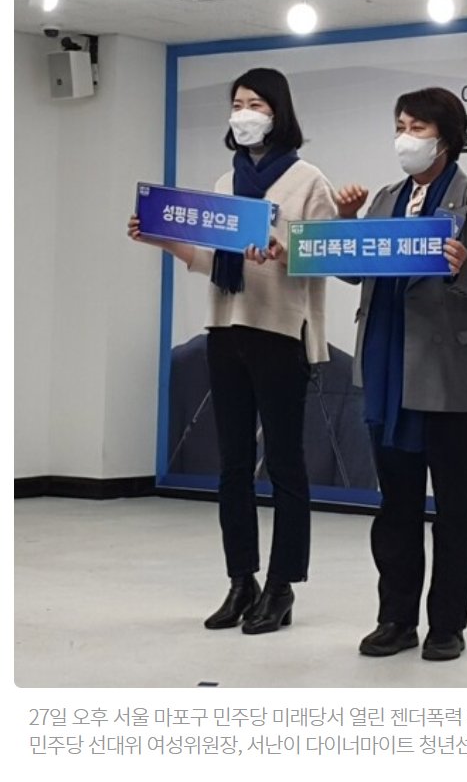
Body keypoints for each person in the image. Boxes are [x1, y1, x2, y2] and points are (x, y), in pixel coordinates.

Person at [128, 67, 353, 634]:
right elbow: (210, 259)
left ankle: (281, 586)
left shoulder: (308, 180)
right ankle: (240, 580)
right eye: (237, 103)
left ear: (278, 113)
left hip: (281, 331)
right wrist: (160, 237)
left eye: (255, 104)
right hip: (226, 329)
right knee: (231, 465)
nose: (244, 113)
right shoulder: (225, 184)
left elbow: (328, 256)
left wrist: (281, 251)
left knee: (284, 463)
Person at [335, 87, 467, 661]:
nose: (405, 138)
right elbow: (352, 271)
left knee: (456, 508)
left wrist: (465, 266)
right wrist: (345, 223)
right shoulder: (385, 199)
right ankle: (395, 618)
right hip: (387, 368)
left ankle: (447, 625)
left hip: (454, 374)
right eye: (400, 126)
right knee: (396, 506)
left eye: (416, 128)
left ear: (445, 138)